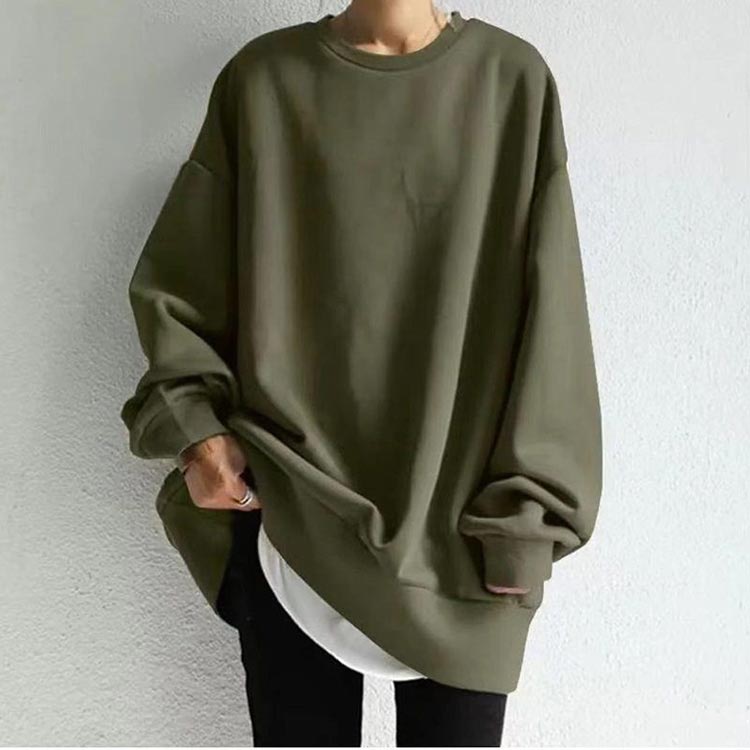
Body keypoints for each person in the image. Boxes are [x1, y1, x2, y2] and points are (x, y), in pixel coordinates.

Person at [120, 1, 603, 746]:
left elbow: (552, 323)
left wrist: (527, 523)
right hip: (290, 520)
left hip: (468, 542)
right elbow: (182, 287)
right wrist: (197, 437)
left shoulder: (511, 82)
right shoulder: (263, 83)